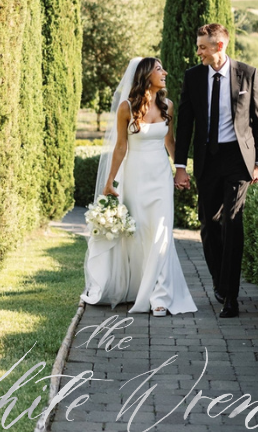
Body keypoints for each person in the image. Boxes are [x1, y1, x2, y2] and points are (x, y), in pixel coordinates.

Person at [81, 57, 197, 316]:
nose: (165, 72)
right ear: (146, 75)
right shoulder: (127, 108)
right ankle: (141, 286)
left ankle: (160, 296)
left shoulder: (168, 106)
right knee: (142, 234)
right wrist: (110, 181)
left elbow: (170, 142)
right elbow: (120, 147)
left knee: (162, 234)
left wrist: (181, 170)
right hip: (135, 178)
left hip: (160, 178)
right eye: (159, 69)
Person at [174, 23, 258, 319]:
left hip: (238, 160)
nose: (198, 51)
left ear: (219, 46)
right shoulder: (193, 77)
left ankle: (231, 296)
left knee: (232, 221)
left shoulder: (247, 74)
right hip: (207, 161)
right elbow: (185, 123)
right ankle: (219, 281)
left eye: (203, 46)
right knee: (209, 225)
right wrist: (180, 166)